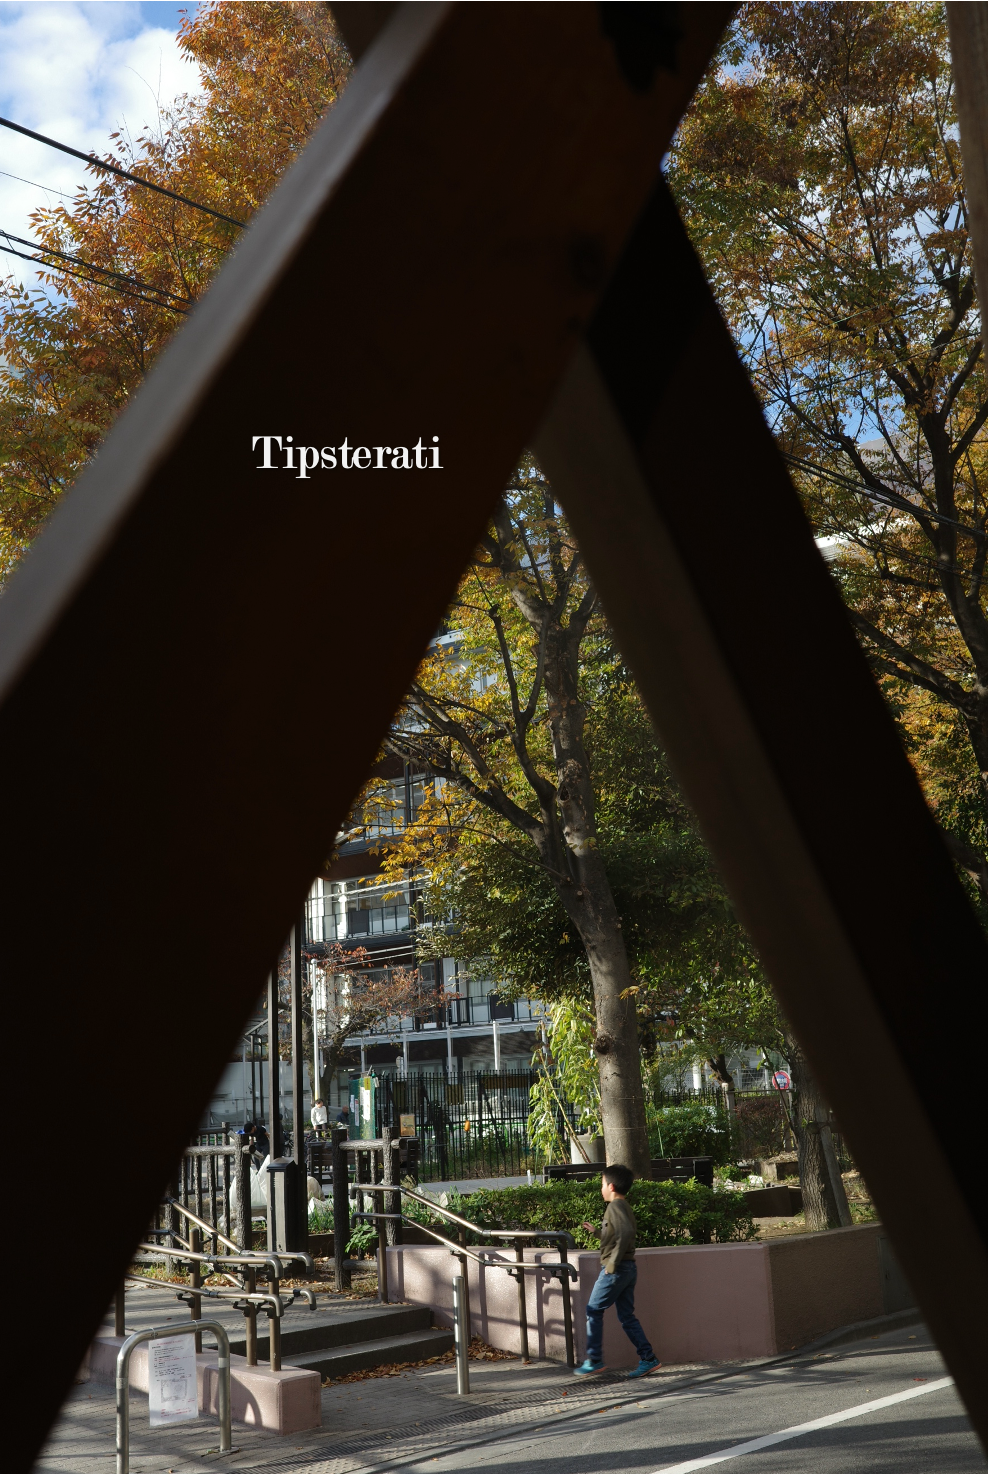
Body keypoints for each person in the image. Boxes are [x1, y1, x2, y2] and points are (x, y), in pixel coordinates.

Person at [574, 1163, 660, 1379]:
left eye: (602, 1184)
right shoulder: (624, 1206)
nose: (601, 1188)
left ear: (611, 1186)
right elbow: (618, 1236)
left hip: (617, 1269)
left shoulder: (615, 1207)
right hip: (628, 1268)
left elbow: (625, 1233)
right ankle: (648, 1358)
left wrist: (611, 1265)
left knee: (593, 1310)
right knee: (627, 1316)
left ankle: (594, 1360)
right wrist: (597, 1233)